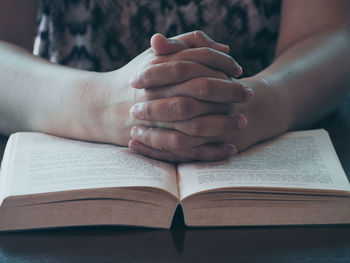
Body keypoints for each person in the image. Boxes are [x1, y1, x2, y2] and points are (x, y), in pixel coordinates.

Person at [0, 0, 349, 163]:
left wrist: (257, 102)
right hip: (63, 115)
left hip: (253, 145)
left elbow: (327, 32)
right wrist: (100, 102)